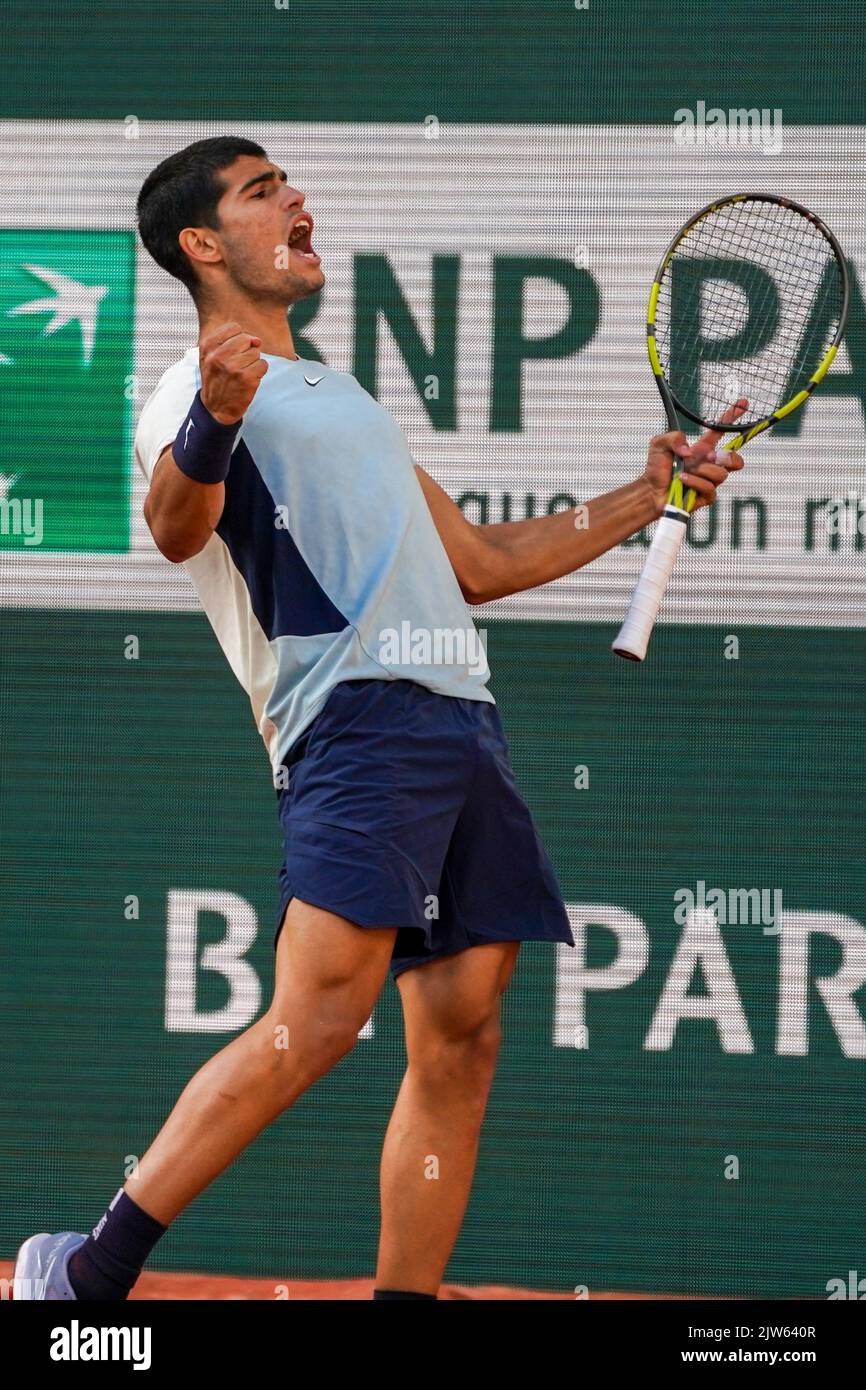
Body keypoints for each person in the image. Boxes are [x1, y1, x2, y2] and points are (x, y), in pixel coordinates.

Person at [13, 136, 743, 1302]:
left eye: (287, 182)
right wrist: (211, 417)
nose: (295, 199)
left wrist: (643, 494)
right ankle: (90, 1274)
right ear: (202, 245)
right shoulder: (187, 390)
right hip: (354, 723)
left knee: (461, 1029)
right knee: (315, 1021)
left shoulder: (340, 397)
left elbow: (481, 560)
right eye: (262, 191)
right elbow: (173, 525)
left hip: (459, 720)